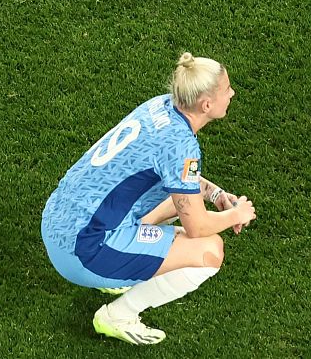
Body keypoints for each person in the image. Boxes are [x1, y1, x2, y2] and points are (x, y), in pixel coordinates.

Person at [41, 53, 256, 345]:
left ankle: (119, 269)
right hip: (81, 249)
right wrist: (237, 214)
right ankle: (118, 315)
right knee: (209, 252)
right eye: (227, 90)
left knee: (179, 200)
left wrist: (214, 193)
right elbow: (197, 227)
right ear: (206, 104)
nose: (232, 93)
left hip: (59, 219)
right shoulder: (182, 146)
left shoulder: (160, 105)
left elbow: (176, 178)